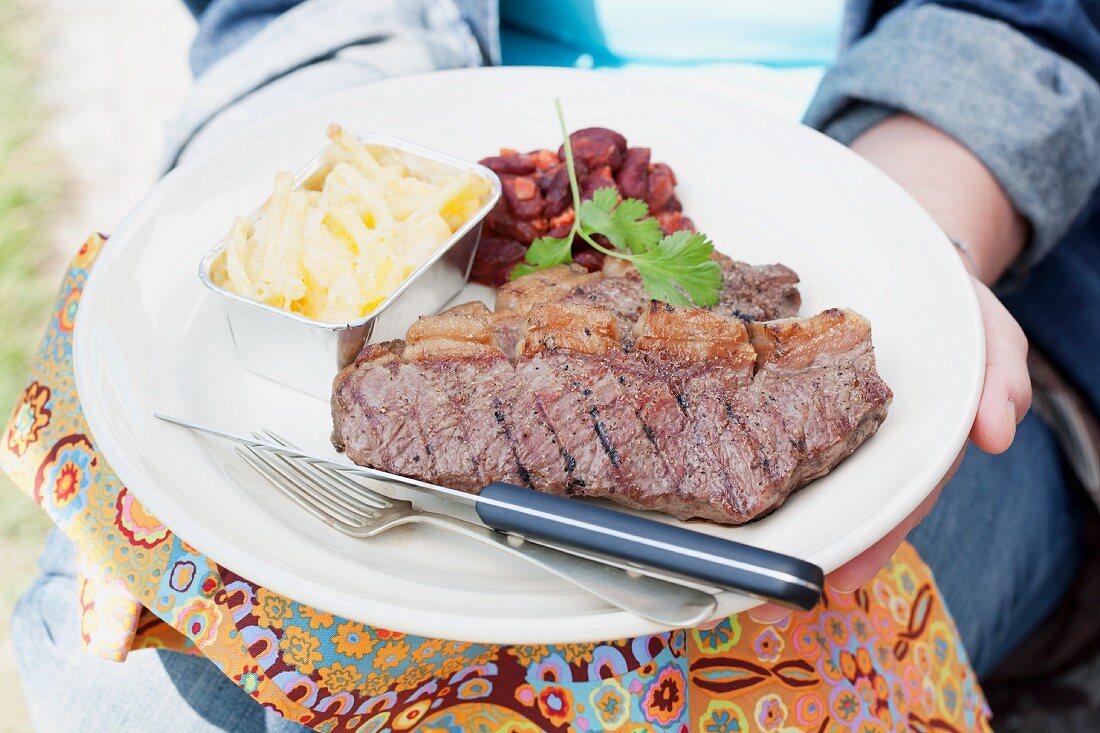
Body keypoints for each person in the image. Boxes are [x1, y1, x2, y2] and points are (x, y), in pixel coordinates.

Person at [12, 1, 1100, 729]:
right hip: (447, 165)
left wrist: (914, 236)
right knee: (122, 695)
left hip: (958, 225)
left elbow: (1022, 29)